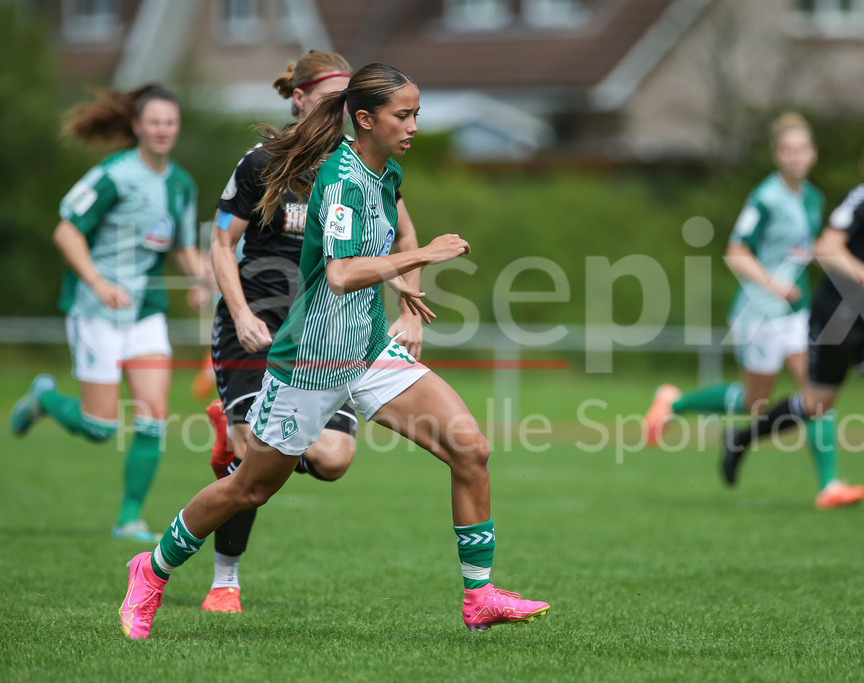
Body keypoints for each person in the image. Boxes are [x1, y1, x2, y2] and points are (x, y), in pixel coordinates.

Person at [118, 63, 550, 640]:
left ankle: (480, 596)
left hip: (368, 350)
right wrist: (419, 259)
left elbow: (359, 255)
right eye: (404, 115)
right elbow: (343, 274)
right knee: (250, 487)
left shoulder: (386, 173)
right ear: (366, 119)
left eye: (417, 113)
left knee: (470, 448)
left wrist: (400, 287)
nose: (414, 125)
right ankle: (150, 568)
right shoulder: (341, 177)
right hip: (312, 360)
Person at [200, 50, 425, 613]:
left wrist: (411, 310)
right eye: (330, 96)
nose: (341, 107)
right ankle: (225, 579)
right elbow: (222, 243)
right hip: (262, 324)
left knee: (333, 460)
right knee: (254, 452)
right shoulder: (263, 163)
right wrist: (242, 313)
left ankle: (239, 441)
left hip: (331, 332)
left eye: (348, 97)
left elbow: (405, 240)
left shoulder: (364, 167)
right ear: (299, 99)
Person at [10, 84, 209, 542]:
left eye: (170, 123)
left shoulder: (181, 185)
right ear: (137, 126)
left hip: (146, 312)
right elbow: (66, 232)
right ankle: (43, 400)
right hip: (95, 308)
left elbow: (181, 245)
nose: (163, 130)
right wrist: (99, 283)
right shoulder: (113, 175)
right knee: (100, 427)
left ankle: (130, 519)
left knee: (153, 415)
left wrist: (200, 280)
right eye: (154, 122)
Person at [643, 113, 864, 509]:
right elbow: (736, 253)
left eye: (803, 150)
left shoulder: (812, 197)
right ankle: (672, 404)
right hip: (759, 314)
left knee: (817, 394)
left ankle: (829, 485)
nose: (796, 157)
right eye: (788, 150)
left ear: (812, 154)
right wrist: (774, 284)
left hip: (795, 314)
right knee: (755, 403)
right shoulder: (765, 197)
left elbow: (805, 249)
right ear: (778, 155)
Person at [720, 140, 864, 512]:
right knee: (816, 405)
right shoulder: (860, 201)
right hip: (836, 313)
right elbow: (826, 248)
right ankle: (742, 439)